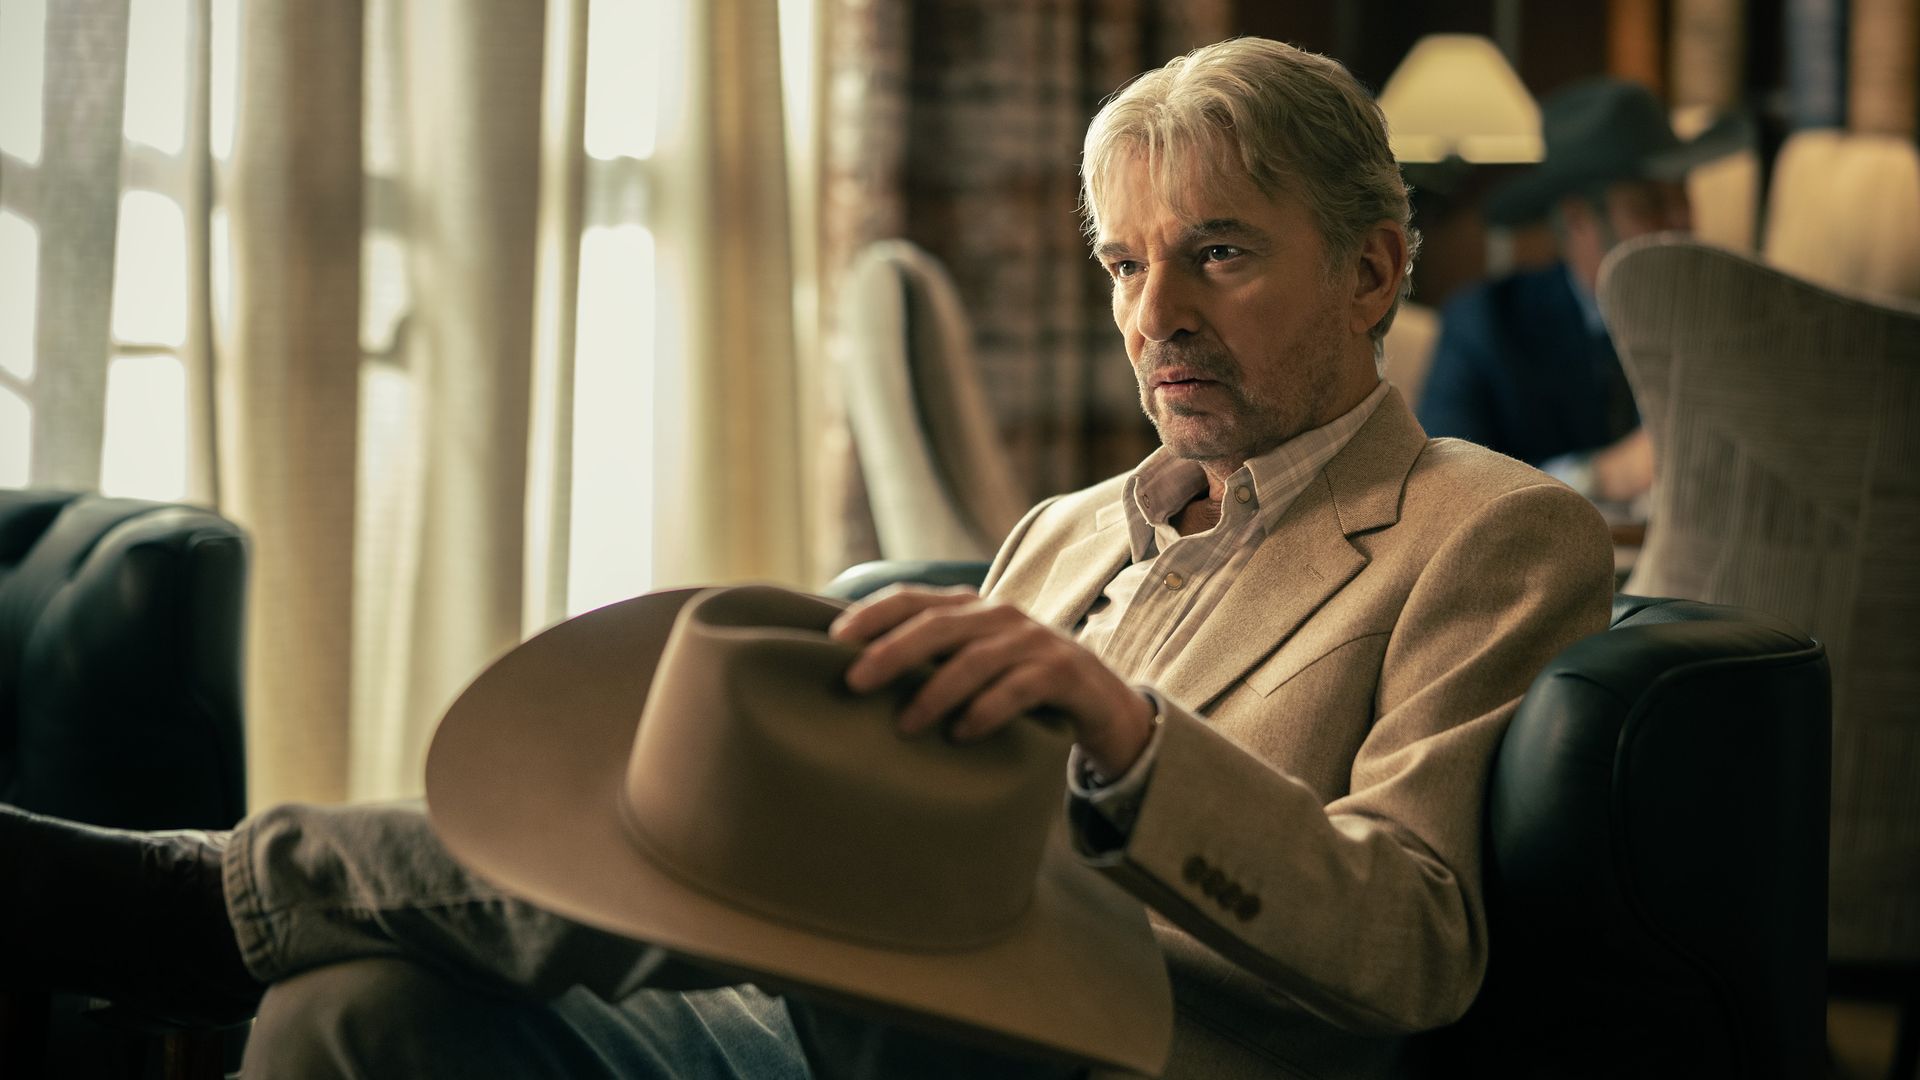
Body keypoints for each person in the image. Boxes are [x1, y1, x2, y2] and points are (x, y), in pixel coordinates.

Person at [0, 38, 1615, 1079]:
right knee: (350, 1022)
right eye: (1125, 260)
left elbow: (1416, 945)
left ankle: (196, 901)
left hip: (1127, 1045)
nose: (1155, 314)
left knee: (781, 839)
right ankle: (235, 924)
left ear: (1375, 268)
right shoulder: (1062, 534)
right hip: (874, 1011)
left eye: (1220, 253)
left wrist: (1123, 737)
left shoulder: (1493, 531)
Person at [1415, 78, 1738, 508]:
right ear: (1578, 219)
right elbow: (1442, 491)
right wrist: (1601, 475)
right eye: (1650, 205)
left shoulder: (1728, 320)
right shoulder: (1487, 325)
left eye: (1683, 197)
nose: (1681, 224)